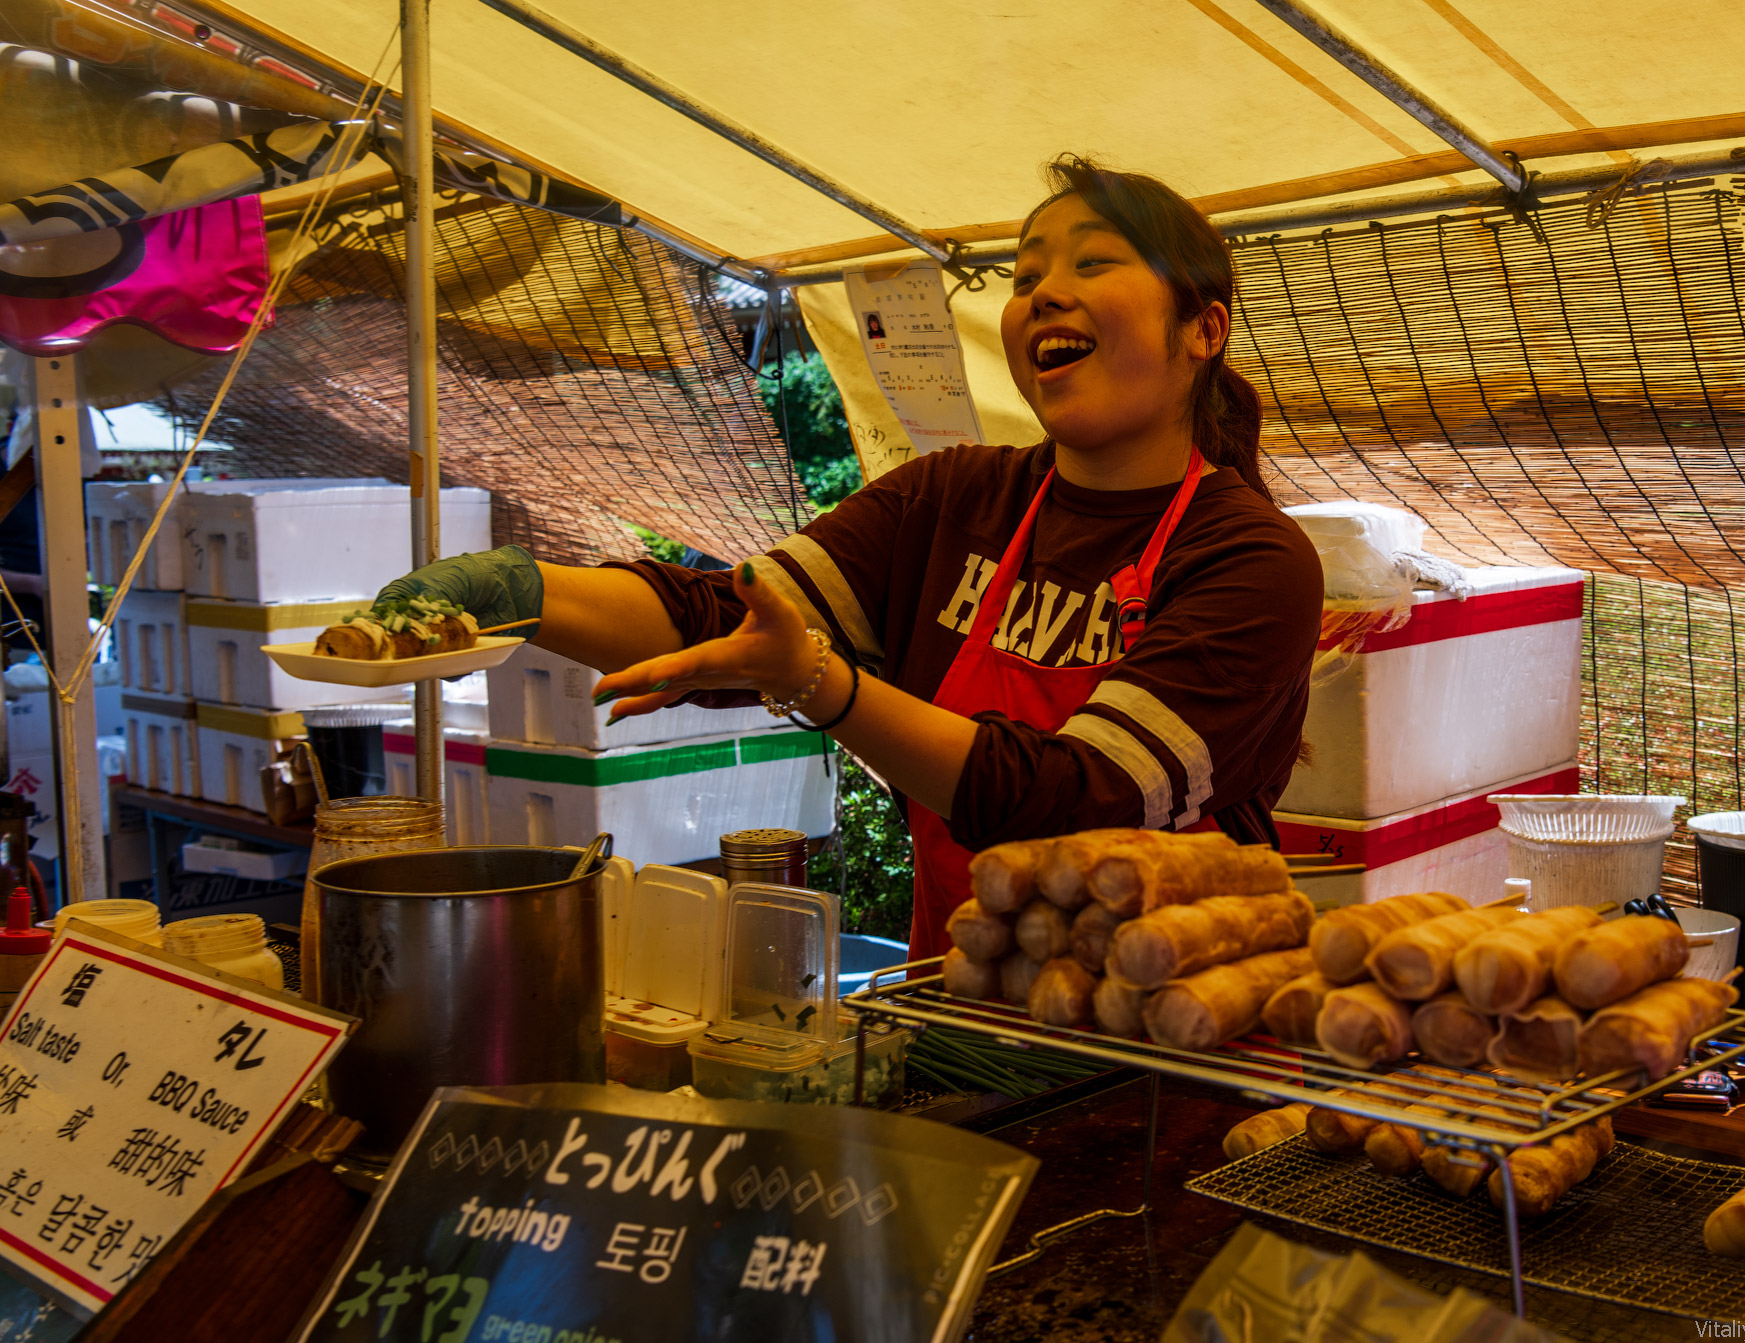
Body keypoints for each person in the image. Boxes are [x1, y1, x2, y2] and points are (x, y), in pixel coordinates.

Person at [382, 156, 1321, 958]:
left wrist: (827, 687)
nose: (1044, 294)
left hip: (1169, 1038)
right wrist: (513, 590)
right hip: (962, 994)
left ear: (1204, 328)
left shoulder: (1251, 558)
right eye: (1025, 273)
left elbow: (1081, 802)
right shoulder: (954, 498)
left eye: (1094, 263)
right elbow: (737, 623)